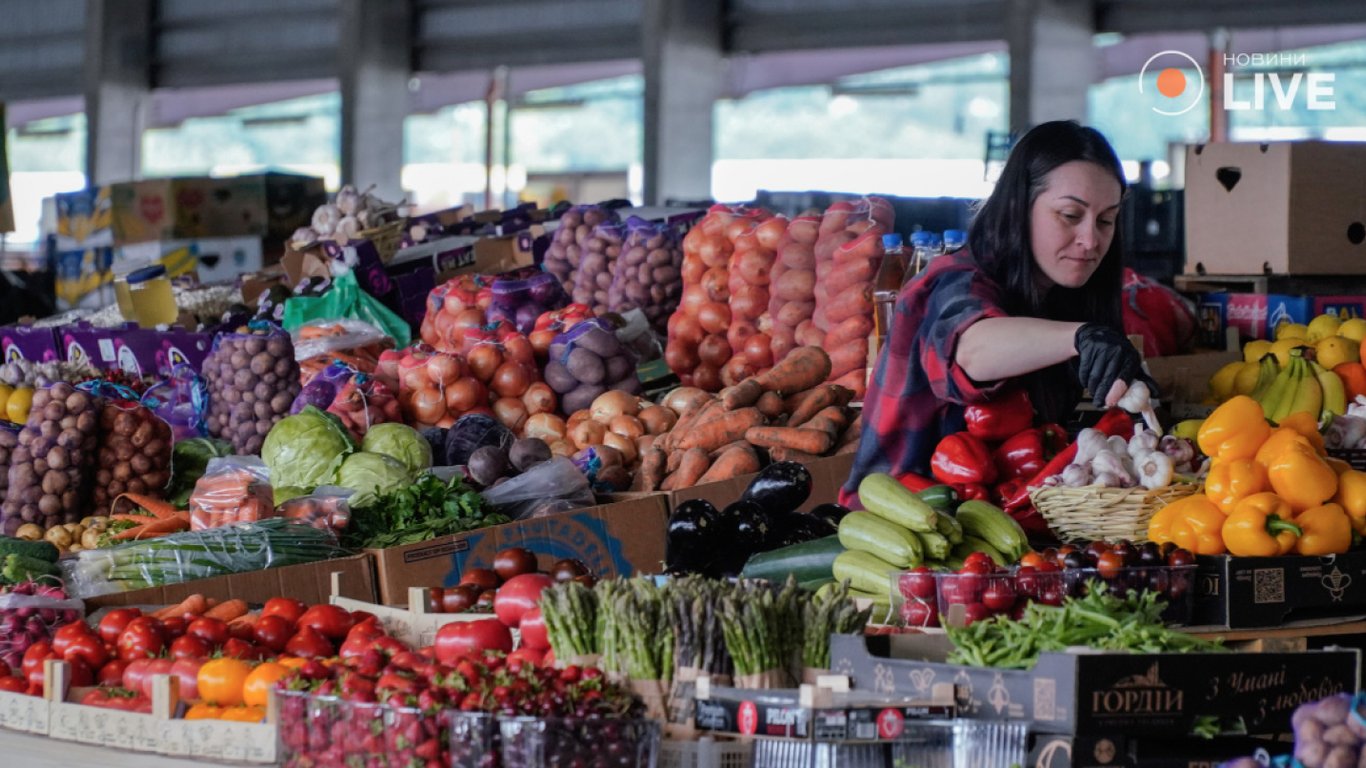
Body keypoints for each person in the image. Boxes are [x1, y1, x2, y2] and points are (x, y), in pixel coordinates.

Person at [841, 120, 1155, 507]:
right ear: (1019, 207)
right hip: (897, 529)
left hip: (990, 523)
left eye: (1106, 220)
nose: (1091, 240)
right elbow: (973, 348)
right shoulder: (954, 281)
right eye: (1070, 215)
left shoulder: (1058, 294)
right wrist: (1081, 336)